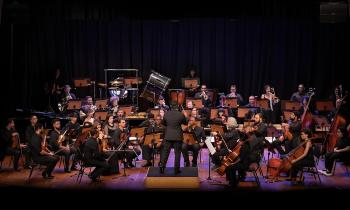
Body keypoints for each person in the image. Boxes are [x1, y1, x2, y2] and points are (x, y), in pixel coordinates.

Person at [159, 102, 188, 174]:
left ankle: (162, 167)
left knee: (165, 152)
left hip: (168, 135)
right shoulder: (180, 114)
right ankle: (176, 169)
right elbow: (186, 123)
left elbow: (163, 123)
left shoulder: (166, 114)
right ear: (177, 106)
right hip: (178, 136)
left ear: (170, 106)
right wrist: (185, 116)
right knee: (177, 153)